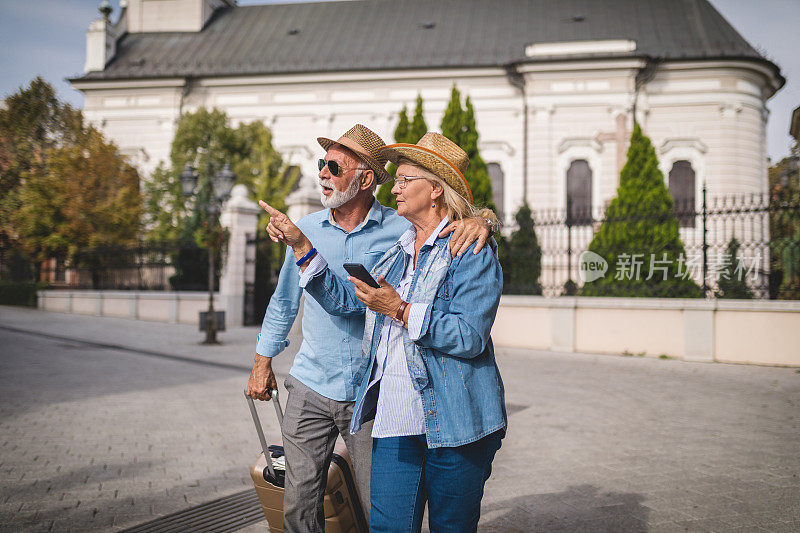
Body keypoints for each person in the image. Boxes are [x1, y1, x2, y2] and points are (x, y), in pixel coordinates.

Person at [245, 124, 494, 533]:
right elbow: (312, 302)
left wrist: (483, 220)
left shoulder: (424, 238)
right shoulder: (325, 235)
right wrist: (262, 360)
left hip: (392, 400)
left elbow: (467, 329)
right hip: (327, 386)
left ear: (364, 179)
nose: (322, 173)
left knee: (393, 511)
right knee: (308, 504)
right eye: (321, 164)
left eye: (333, 166)